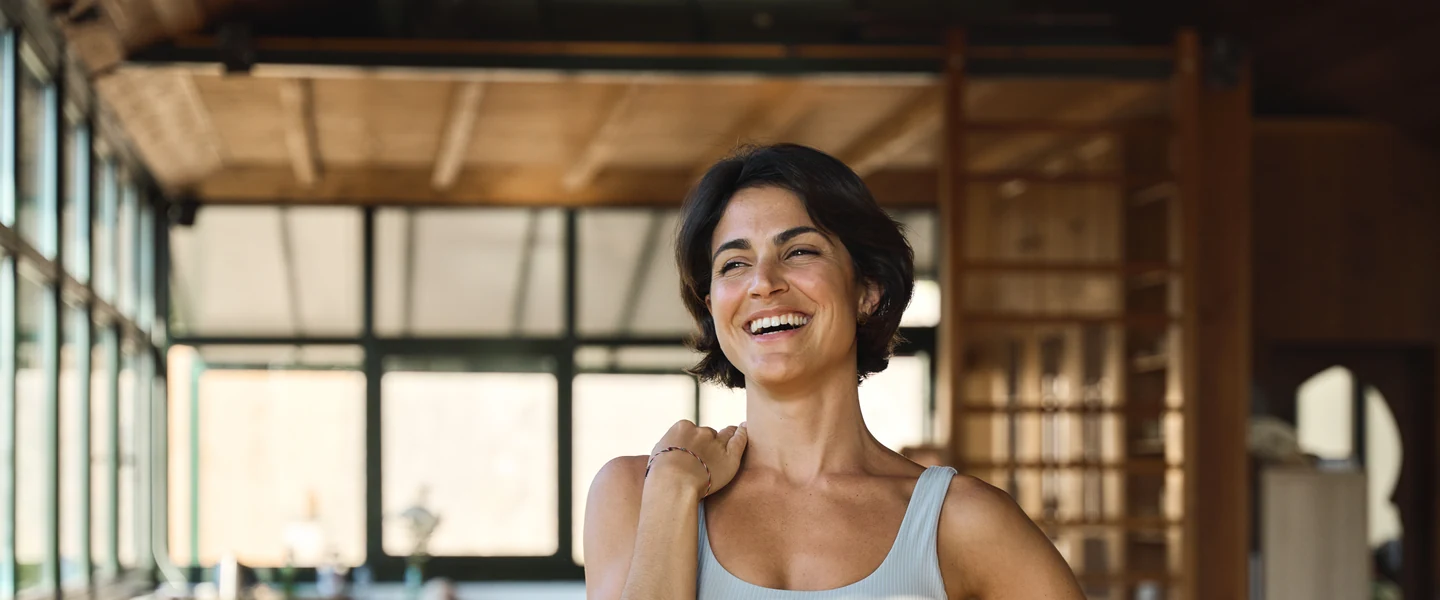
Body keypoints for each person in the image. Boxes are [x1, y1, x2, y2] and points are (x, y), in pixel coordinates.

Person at [584, 144, 1084, 600]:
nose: (763, 283)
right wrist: (671, 493)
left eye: (799, 251)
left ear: (867, 290)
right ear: (713, 306)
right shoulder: (636, 493)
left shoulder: (959, 521)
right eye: (734, 263)